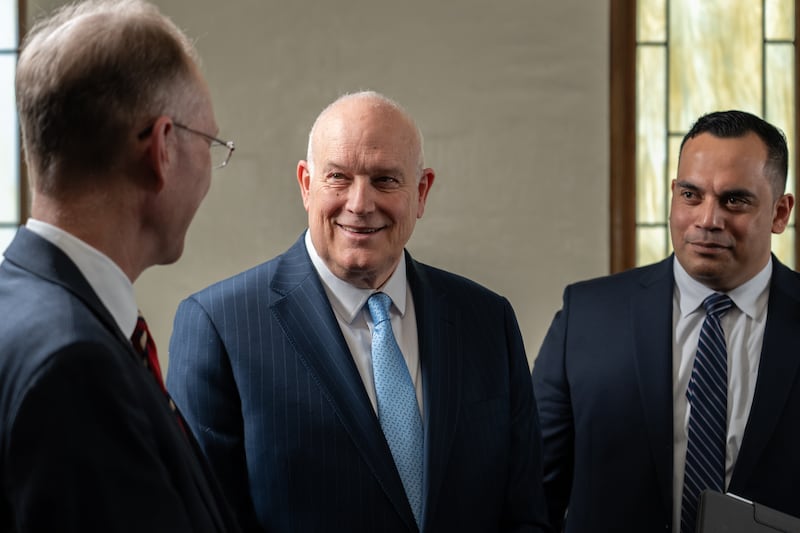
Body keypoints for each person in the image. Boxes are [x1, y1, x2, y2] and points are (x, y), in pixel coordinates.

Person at [167, 90, 550, 532]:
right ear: (306, 185)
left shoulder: (487, 321)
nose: (360, 203)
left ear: (421, 192)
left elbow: (525, 515)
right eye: (338, 178)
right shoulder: (221, 327)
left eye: (385, 180)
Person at [0, 1, 240, 531]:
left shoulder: (19, 307)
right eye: (209, 143)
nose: (210, 168)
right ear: (162, 149)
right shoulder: (73, 368)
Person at [532, 109, 800, 532]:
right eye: (691, 195)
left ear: (780, 213)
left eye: (735, 200)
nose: (708, 220)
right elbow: (529, 498)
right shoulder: (586, 319)